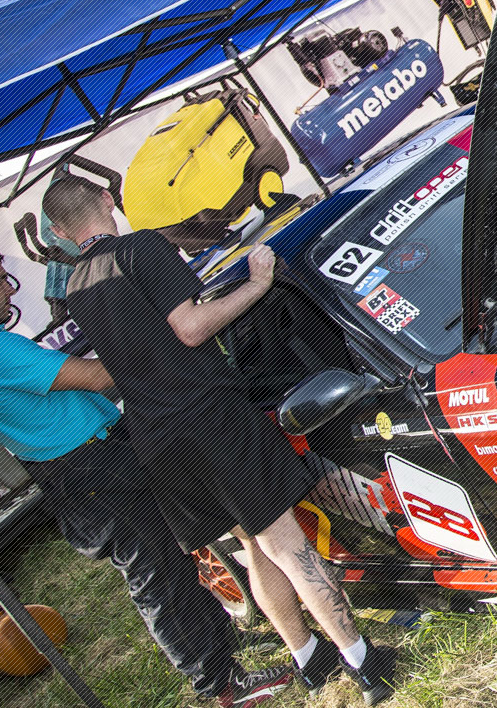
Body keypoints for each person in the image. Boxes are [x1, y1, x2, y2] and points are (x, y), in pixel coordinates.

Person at [41, 176, 400, 705]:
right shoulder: (140, 248)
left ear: (59, 232)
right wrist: (255, 284)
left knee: (253, 543)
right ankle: (364, 663)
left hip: (156, 436)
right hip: (209, 417)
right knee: (286, 543)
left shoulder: (76, 286)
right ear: (107, 200)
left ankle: (308, 658)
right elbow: (190, 327)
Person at [0, 242, 292, 707]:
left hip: (92, 454)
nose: (10, 290)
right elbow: (97, 376)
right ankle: (220, 682)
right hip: (86, 468)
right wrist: (160, 332)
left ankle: (220, 641)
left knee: (176, 550)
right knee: (157, 570)